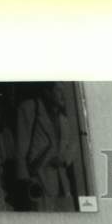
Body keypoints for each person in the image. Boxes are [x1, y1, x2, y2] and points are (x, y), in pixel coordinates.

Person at [14, 83, 76, 211]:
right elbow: (20, 148)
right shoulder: (30, 108)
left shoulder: (63, 118)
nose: (63, 95)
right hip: (38, 180)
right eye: (58, 90)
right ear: (47, 92)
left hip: (61, 183)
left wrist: (64, 160)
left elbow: (71, 143)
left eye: (64, 91)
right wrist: (26, 183)